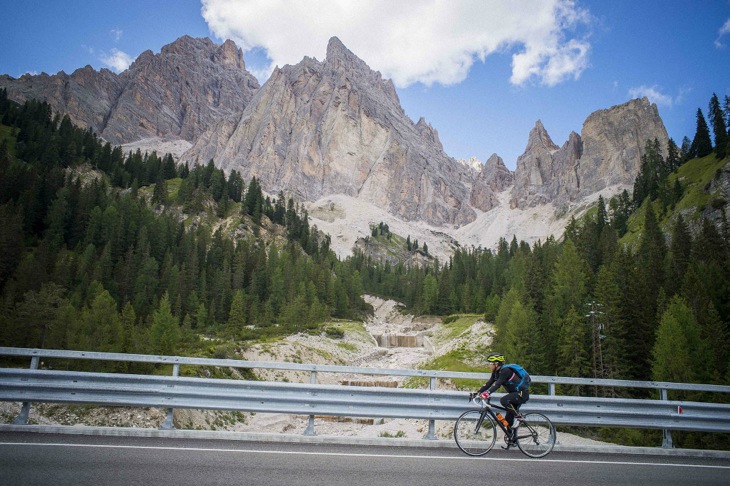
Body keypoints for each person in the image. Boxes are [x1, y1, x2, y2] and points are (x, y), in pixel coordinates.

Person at [475, 352, 530, 447]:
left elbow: (497, 385)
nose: (488, 365)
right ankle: (512, 440)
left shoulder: (506, 371)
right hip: (514, 395)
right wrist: (477, 393)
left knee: (504, 400)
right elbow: (489, 383)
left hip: (521, 394)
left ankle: (519, 417)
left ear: (496, 364)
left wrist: (487, 393)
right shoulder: (495, 373)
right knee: (508, 420)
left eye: (490, 364)